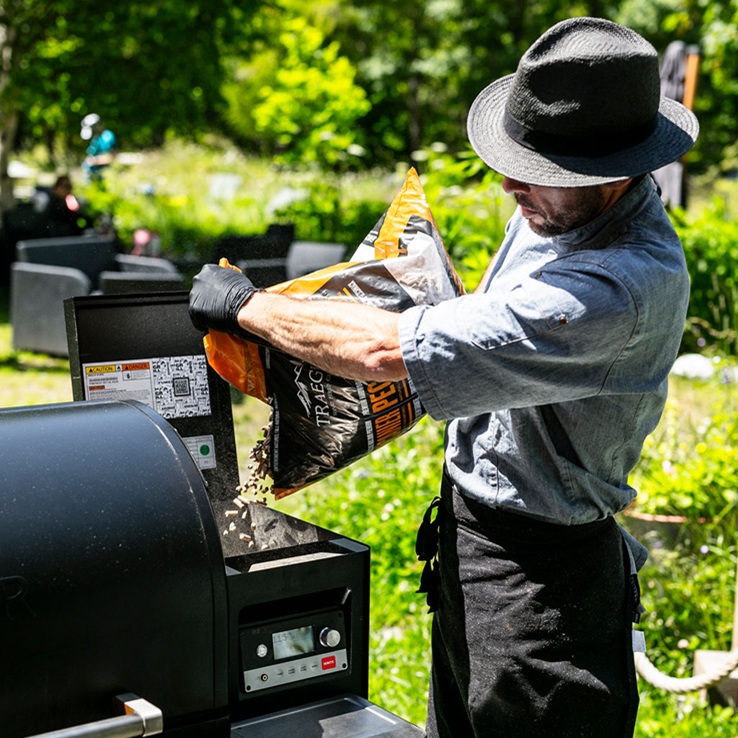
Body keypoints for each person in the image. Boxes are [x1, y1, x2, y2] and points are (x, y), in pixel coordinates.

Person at [189, 17, 698, 738]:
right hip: (472, 536)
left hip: (545, 583)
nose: (510, 184)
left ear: (613, 173)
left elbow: (387, 353)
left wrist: (249, 306)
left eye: (540, 173)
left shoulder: (620, 288)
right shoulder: (558, 210)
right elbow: (474, 321)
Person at [81, 113, 116, 181]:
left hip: (105, 174)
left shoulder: (107, 136)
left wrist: (95, 161)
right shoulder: (95, 139)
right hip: (92, 176)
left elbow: (112, 156)